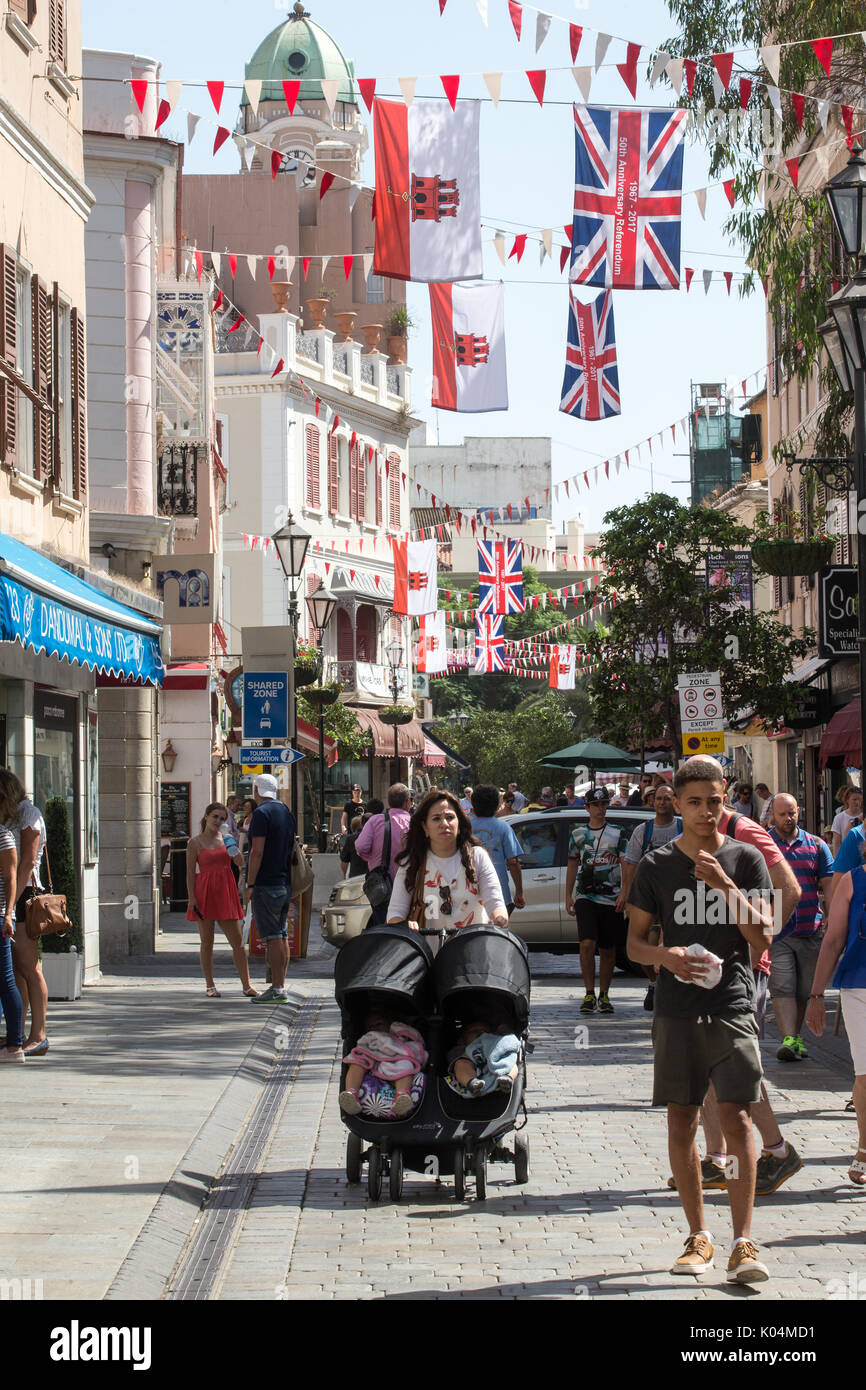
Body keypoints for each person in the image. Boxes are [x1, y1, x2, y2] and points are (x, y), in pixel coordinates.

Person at [627, 755, 775, 1284]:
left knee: (736, 1120)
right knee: (682, 1119)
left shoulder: (745, 859)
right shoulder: (657, 865)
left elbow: (763, 937)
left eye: (715, 801)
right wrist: (666, 958)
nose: (706, 812)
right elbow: (635, 944)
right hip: (676, 1008)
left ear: (725, 800)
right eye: (694, 802)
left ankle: (743, 1241)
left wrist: (726, 886)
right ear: (676, 803)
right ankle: (698, 1235)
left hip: (731, 1004)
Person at [806, 848, 866, 1186]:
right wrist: (816, 996)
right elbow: (832, 942)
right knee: (865, 1072)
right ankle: (864, 1146)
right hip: (860, 986)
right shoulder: (853, 881)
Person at [767, 794, 834, 1064]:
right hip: (778, 931)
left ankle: (794, 1038)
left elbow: (828, 884)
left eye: (792, 813)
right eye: (782, 814)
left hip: (810, 929)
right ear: (772, 814)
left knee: (804, 990)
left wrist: (830, 915)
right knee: (783, 986)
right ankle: (787, 1039)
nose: (788, 818)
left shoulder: (817, 845)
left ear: (799, 812)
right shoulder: (763, 844)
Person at [386, 790, 508, 931]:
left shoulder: (478, 857)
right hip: (428, 951)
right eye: (436, 818)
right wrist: (403, 925)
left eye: (450, 817)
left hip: (474, 949)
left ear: (459, 823)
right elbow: (395, 912)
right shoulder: (412, 862)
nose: (444, 823)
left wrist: (500, 917)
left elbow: (495, 902)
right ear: (425, 826)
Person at [616, 782, 681, 1011]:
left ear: (675, 802)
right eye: (659, 798)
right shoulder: (643, 831)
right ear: (652, 802)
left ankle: (668, 990)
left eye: (667, 798)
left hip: (680, 901)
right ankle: (654, 983)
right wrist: (628, 896)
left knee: (672, 947)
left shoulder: (684, 828)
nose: (662, 802)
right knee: (645, 952)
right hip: (650, 900)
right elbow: (630, 865)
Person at [565, 787, 629, 1015]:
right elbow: (573, 863)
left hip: (611, 896)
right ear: (587, 808)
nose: (601, 809)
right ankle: (589, 991)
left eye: (604, 804)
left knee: (608, 948)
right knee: (586, 943)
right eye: (596, 805)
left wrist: (625, 892)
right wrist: (568, 895)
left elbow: (625, 863)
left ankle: (604, 994)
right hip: (586, 894)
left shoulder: (617, 832)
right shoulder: (578, 834)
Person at [186, 803, 258, 999]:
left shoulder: (227, 839)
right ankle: (210, 985)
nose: (218, 821)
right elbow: (190, 874)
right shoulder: (195, 843)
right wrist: (192, 898)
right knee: (206, 941)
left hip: (226, 891)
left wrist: (234, 852)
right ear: (207, 817)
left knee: (237, 942)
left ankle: (247, 985)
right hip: (205, 892)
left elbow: (241, 864)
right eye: (215, 817)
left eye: (221, 818)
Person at [0, 770, 49, 1056]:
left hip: (25, 895)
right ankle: (16, 1034)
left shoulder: (28, 814)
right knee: (17, 968)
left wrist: (11, 904)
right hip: (13, 897)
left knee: (30, 967)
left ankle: (38, 1034)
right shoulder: (9, 816)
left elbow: (29, 862)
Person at [244, 774, 298, 1003]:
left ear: (257, 789)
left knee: (273, 936)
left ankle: (277, 990)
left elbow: (257, 851)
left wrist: (250, 883)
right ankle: (280, 987)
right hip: (284, 881)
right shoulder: (285, 811)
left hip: (267, 882)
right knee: (282, 934)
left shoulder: (261, 814)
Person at [340, 1007, 428, 1118]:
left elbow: (414, 1037)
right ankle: (352, 1093)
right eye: (370, 1027)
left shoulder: (397, 1035)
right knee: (356, 1062)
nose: (375, 1029)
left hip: (396, 1059)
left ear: (390, 1023)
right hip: (374, 1062)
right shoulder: (370, 1038)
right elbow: (362, 1048)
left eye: (379, 1024)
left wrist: (398, 1029)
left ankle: (402, 1095)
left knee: (406, 1064)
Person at [354, 785, 412, 925]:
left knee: (382, 926)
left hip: (381, 886)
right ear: (408, 803)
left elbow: (361, 846)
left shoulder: (375, 821)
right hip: (409, 885)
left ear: (389, 802)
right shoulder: (414, 823)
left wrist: (373, 858)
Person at [468, 784, 525, 917]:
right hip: (499, 895)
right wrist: (519, 892)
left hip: (469, 896)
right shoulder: (504, 828)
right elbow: (513, 861)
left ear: (474, 804)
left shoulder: (463, 827)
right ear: (496, 805)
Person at [0, 812, 23, 1062]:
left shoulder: (3, 836)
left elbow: (11, 877)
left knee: (6, 981)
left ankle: (15, 1044)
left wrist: (8, 915)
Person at [447, 1019, 520, 1097]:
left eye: (485, 1031)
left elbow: (505, 1046)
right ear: (462, 1040)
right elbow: (453, 1058)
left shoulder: (495, 1044)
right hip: (473, 1067)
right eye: (475, 1031)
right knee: (460, 1063)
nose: (481, 1033)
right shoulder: (463, 1048)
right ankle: (471, 1082)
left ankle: (508, 1078)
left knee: (510, 1061)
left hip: (497, 1068)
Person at [832, 785, 862, 857]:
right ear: (847, 800)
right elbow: (836, 843)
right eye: (854, 799)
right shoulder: (839, 818)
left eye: (860, 799)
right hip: (847, 857)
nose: (857, 802)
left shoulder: (864, 817)